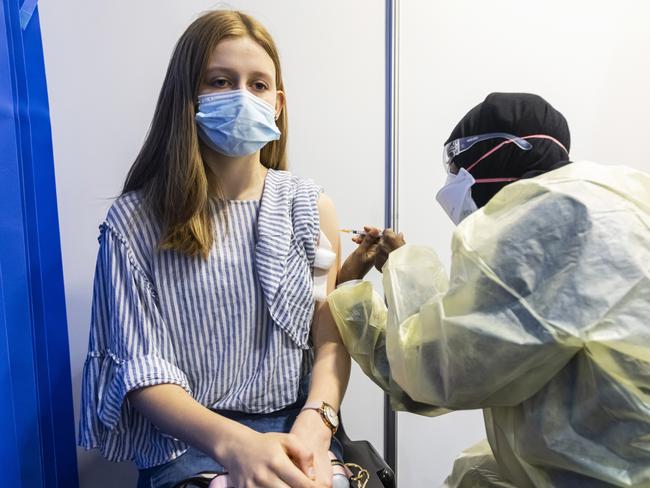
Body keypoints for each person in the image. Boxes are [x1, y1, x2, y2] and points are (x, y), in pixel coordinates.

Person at [78, 10, 351, 488]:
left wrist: (318, 420)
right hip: (186, 445)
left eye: (258, 84)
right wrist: (235, 445)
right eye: (221, 81)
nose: (242, 97)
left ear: (278, 103)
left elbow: (329, 338)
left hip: (297, 428)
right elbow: (144, 372)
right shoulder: (135, 222)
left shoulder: (310, 209)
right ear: (187, 96)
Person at [328, 93, 650, 487]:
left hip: (610, 471)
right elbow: (482, 341)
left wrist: (354, 290)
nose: (450, 185)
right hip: (622, 449)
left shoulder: (543, 218)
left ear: (499, 154)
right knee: (475, 475)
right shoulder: (619, 192)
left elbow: (434, 372)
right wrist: (399, 267)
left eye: (457, 167)